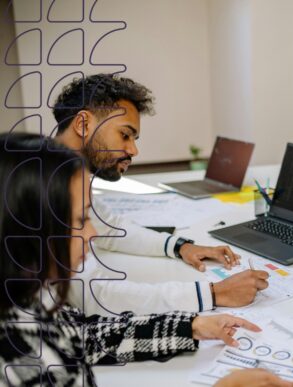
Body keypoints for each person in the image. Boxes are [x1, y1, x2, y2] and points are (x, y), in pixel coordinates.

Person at [0, 133, 293, 387]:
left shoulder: (25, 299)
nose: (93, 233)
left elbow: (84, 337)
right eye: (81, 219)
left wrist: (191, 327)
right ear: (26, 227)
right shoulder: (19, 355)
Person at [50, 74, 268, 315]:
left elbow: (110, 228)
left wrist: (180, 246)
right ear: (83, 124)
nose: (133, 150)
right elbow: (97, 295)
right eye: (125, 134)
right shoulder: (41, 188)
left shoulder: (63, 173)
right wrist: (214, 293)